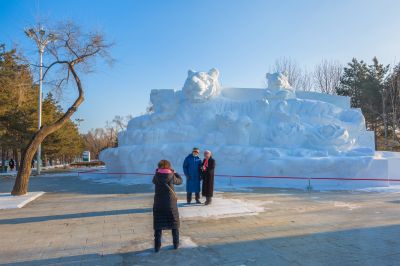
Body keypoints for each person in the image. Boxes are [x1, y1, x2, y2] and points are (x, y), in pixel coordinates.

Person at [152, 159, 183, 252]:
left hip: (159, 204)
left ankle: (157, 246)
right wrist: (176, 173)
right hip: (171, 204)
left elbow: (154, 181)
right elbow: (180, 181)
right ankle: (176, 244)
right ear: (169, 166)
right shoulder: (171, 175)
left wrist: (157, 171)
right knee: (174, 224)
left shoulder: (156, 176)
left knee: (158, 225)